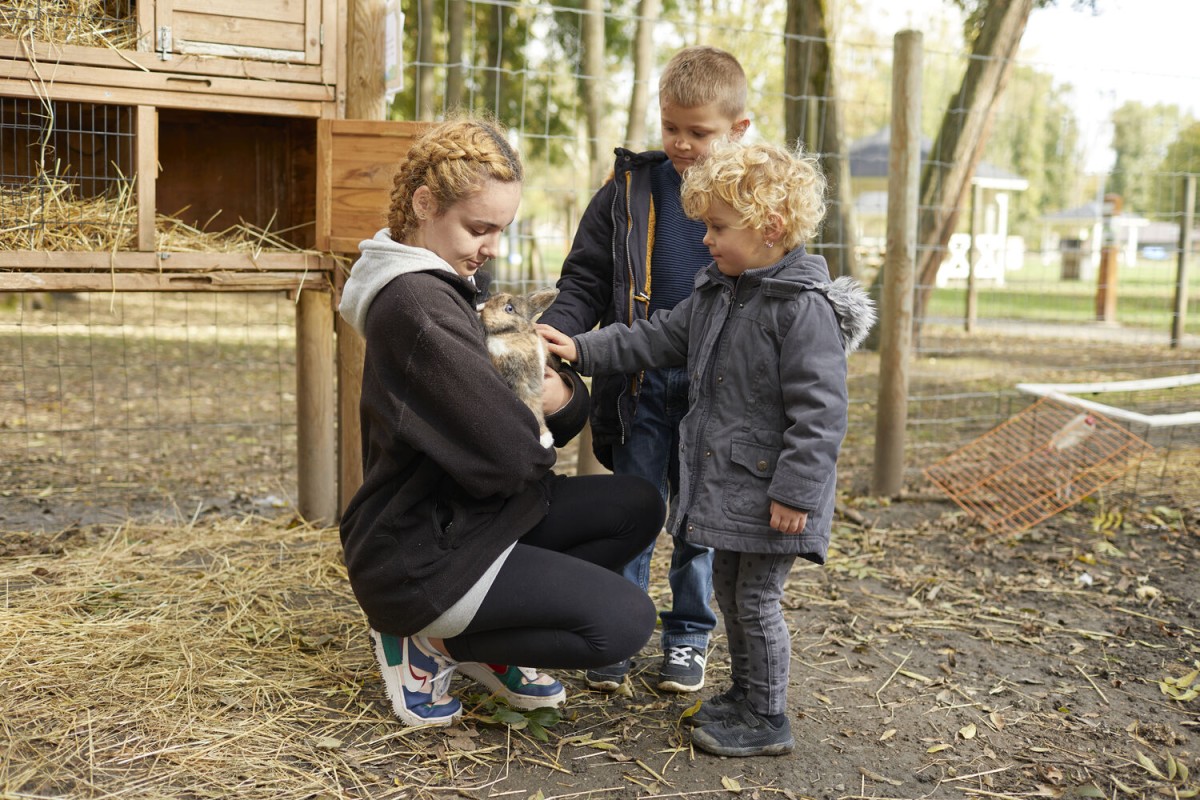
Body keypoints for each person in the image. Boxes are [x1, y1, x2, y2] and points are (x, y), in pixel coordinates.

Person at [539, 138, 875, 757]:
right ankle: (746, 694)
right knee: (729, 589)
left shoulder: (801, 310)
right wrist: (582, 351)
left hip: (776, 494)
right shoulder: (722, 291)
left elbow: (821, 415)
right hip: (735, 488)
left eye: (719, 227)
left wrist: (796, 493)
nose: (706, 239)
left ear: (771, 227)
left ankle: (768, 716)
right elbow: (658, 337)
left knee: (756, 601)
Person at [337, 116, 665, 729]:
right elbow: (517, 456)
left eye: (500, 230)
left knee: (636, 504)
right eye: (478, 228)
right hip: (417, 554)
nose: (491, 248)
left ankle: (492, 637)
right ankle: (434, 645)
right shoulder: (416, 306)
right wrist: (539, 410)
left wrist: (556, 398)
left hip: (468, 516)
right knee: (624, 624)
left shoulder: (447, 283)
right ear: (425, 203)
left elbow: (555, 422)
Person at [536, 45, 751, 695]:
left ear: (738, 129)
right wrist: (560, 330)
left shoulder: (754, 199)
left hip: (714, 393)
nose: (682, 145)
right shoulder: (627, 191)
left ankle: (689, 633)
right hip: (637, 387)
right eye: (671, 128)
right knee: (633, 508)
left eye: (699, 132)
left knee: (698, 521)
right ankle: (620, 629)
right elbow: (584, 281)